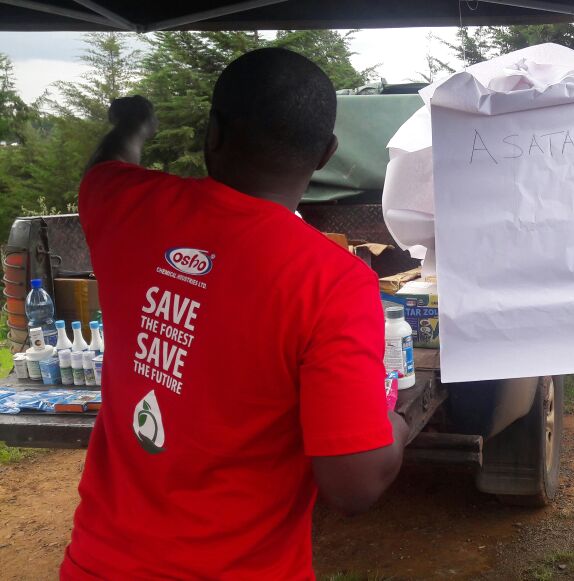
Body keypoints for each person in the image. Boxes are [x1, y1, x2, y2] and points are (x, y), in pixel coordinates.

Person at [62, 48, 410, 579]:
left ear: (214, 133)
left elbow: (107, 164)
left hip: (97, 565)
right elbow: (354, 486)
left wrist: (131, 123)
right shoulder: (332, 281)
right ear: (325, 154)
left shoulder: (127, 203)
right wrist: (396, 427)